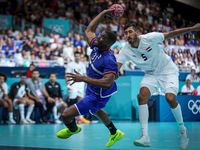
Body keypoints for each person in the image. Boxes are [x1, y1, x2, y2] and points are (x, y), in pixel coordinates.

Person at [116, 22, 200, 149]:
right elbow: (116, 67)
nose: (128, 35)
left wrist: (192, 28)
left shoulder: (149, 38)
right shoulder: (125, 49)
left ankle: (182, 130)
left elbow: (170, 34)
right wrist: (113, 74)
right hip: (151, 74)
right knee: (141, 96)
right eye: (126, 33)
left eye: (130, 32)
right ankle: (145, 136)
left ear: (137, 32)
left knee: (170, 98)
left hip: (167, 70)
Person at [56, 9, 125, 148]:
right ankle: (114, 132)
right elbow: (89, 30)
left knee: (66, 115)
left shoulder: (109, 58)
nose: (97, 38)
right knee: (97, 110)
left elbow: (108, 83)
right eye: (99, 36)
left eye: (101, 38)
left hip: (98, 94)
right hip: (93, 89)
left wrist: (83, 79)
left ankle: (73, 129)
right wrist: (104, 12)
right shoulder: (97, 46)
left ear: (107, 44)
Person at [65, 52, 90, 124]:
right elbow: (67, 75)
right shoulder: (70, 65)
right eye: (76, 56)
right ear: (74, 57)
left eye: (78, 56)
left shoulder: (82, 65)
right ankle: (69, 117)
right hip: (73, 85)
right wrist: (68, 85)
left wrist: (86, 84)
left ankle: (81, 118)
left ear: (80, 57)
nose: (77, 57)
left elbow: (85, 75)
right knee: (72, 102)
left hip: (81, 85)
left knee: (81, 102)